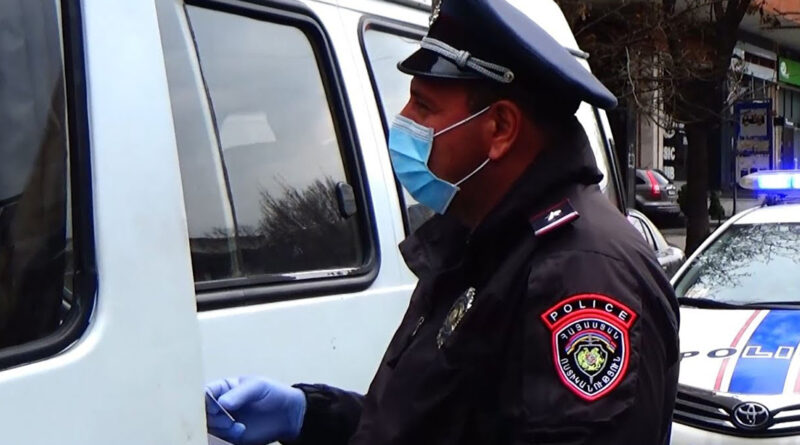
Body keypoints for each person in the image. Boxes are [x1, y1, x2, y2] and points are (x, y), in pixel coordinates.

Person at [205, 0, 680, 444]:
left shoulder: (580, 274)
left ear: (500, 129)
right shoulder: (483, 242)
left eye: (424, 107)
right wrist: (309, 415)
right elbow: (430, 425)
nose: (403, 120)